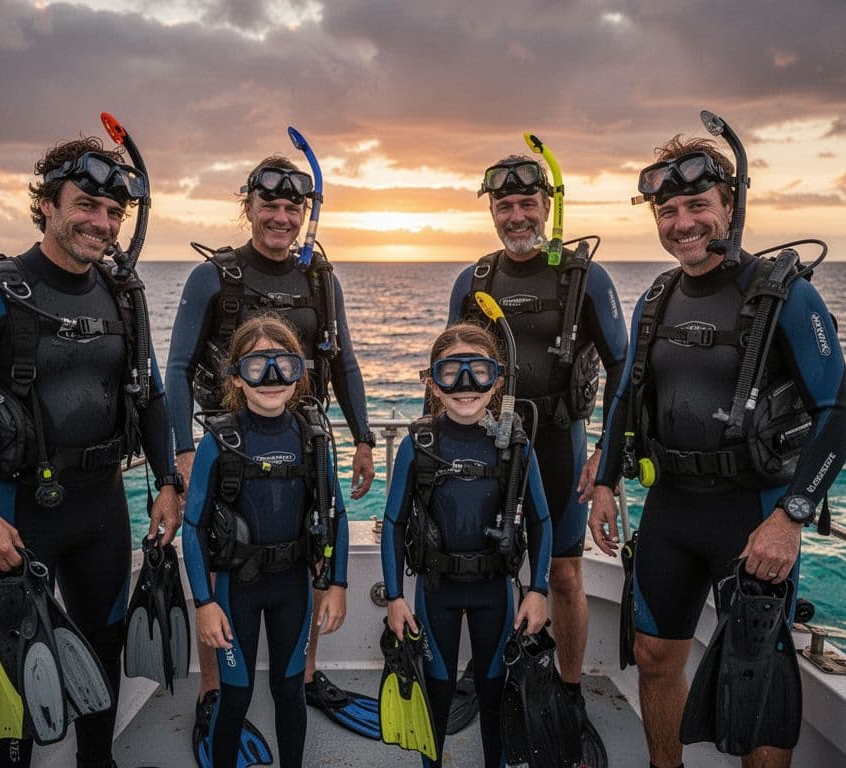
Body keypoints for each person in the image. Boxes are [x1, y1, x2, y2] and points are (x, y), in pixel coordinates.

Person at [587, 133, 846, 768]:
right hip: (671, 509)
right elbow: (624, 396)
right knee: (653, 656)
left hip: (754, 513)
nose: (682, 225)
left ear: (730, 204)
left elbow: (837, 415)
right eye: (666, 212)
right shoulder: (657, 297)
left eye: (697, 206)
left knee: (754, 678)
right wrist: (605, 478)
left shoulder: (785, 294)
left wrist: (790, 517)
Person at [0, 137, 182, 768]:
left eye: (114, 214)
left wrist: (169, 479)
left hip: (102, 508)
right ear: (47, 205)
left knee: (104, 645)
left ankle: (98, 762)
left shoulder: (122, 294)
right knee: (17, 661)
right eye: (86, 204)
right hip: (16, 515)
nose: (102, 223)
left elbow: (152, 396)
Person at [166, 154, 377, 736]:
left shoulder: (319, 278)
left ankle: (303, 677)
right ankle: (214, 690)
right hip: (228, 443)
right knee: (218, 551)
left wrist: (362, 438)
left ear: (304, 212)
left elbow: (344, 363)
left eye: (293, 207)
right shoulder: (215, 276)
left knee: (306, 548)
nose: (281, 217)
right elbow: (179, 366)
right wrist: (181, 451)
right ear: (248, 207)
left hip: (304, 440)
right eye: (270, 205)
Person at [447, 154, 628, 724]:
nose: (517, 215)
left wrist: (607, 453)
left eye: (528, 203)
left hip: (558, 442)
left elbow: (624, 369)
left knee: (565, 572)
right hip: (489, 444)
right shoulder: (474, 280)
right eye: (505, 205)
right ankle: (488, 676)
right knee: (485, 563)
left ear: (548, 207)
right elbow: (450, 369)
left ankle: (568, 692)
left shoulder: (584, 278)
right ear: (492, 211)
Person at [380, 322, 552, 768]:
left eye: (478, 371)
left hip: (494, 591)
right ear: (433, 383)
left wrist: (538, 590)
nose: (465, 386)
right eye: (450, 373)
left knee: (494, 693)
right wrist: (396, 597)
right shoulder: (418, 445)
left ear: (497, 381)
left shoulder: (514, 446)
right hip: (435, 591)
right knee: (436, 693)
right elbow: (394, 523)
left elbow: (542, 520)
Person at [181, 314, 349, 768]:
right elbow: (192, 527)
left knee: (290, 691)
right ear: (236, 375)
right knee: (235, 696)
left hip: (293, 587)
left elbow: (337, 512)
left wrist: (336, 584)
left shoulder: (313, 438)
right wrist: (203, 602)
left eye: (284, 365)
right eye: (257, 367)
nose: (272, 378)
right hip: (237, 590)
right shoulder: (219, 441)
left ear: (301, 372)